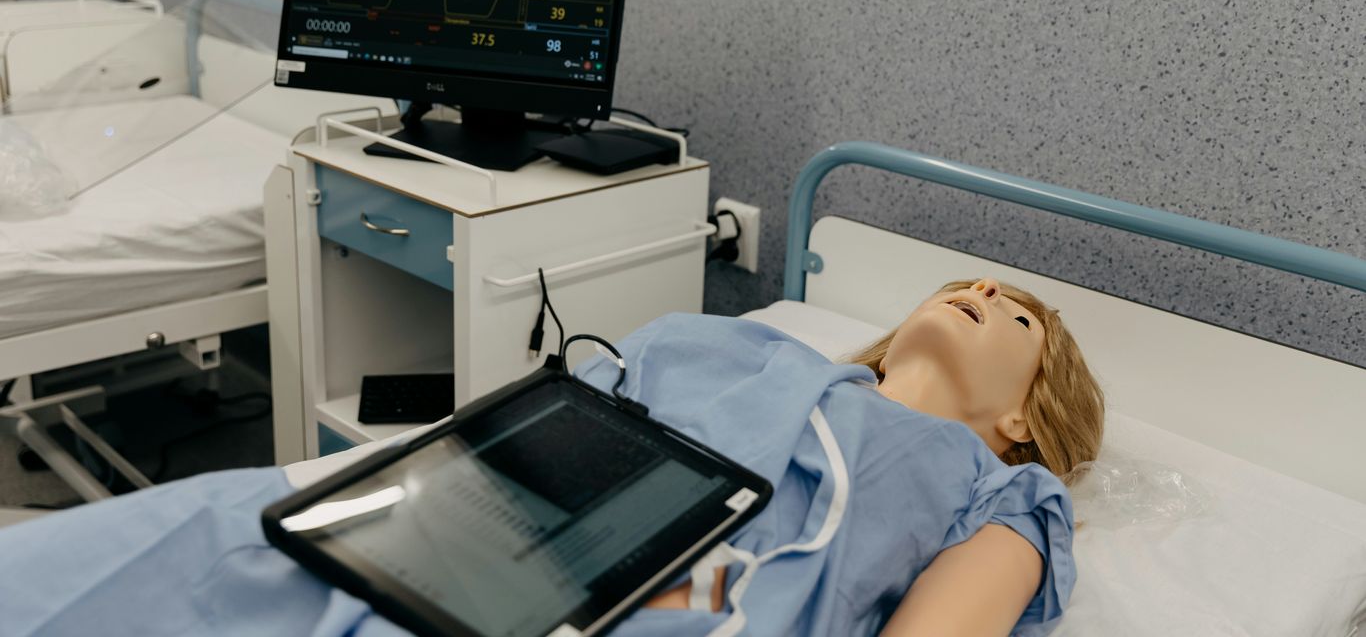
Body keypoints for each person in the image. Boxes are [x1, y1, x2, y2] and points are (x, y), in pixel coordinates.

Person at [0, 278, 1103, 637]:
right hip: (450, 537)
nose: (977, 291)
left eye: (1013, 313)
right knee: (192, 531)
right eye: (963, 284)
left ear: (1027, 411)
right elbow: (514, 434)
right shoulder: (717, 341)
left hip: (683, 609)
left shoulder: (1006, 488)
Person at [632, 277, 1104, 636]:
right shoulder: (743, 348)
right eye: (967, 287)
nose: (986, 286)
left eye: (1021, 321)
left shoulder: (1007, 500)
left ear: (1022, 419)